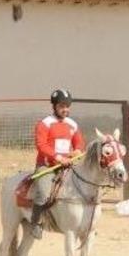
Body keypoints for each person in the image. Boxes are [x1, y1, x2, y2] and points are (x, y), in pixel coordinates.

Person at [29, 89, 85, 239]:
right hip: (47, 166)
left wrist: (78, 151)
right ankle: (36, 223)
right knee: (44, 193)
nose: (65, 109)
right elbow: (41, 145)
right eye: (61, 106)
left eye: (67, 106)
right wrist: (58, 157)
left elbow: (79, 142)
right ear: (54, 106)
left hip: (67, 166)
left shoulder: (72, 124)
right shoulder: (44, 124)